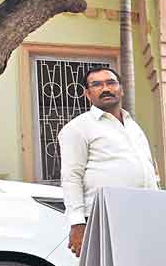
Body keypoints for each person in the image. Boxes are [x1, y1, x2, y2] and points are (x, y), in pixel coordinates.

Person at [58, 65, 159, 255]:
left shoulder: (133, 126)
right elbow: (71, 177)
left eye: (111, 83)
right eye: (96, 84)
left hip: (145, 215)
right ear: (87, 94)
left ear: (121, 89)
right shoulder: (78, 128)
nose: (105, 89)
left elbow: (147, 170)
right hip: (104, 218)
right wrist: (77, 223)